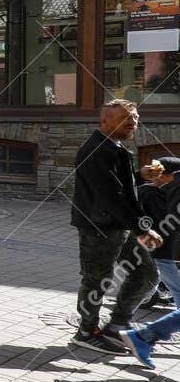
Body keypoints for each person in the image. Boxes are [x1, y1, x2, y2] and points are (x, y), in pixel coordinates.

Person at [71, 99, 159, 354]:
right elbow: (113, 196)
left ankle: (117, 323)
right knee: (97, 280)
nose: (133, 123)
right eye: (126, 118)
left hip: (120, 225)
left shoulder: (113, 146)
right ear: (104, 121)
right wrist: (142, 229)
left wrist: (139, 175)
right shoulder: (96, 150)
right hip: (99, 227)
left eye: (135, 118)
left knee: (147, 274)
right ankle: (86, 331)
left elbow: (119, 186)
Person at [120, 156, 180, 367]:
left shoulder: (153, 192)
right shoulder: (156, 195)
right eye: (175, 176)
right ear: (166, 176)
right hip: (166, 252)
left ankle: (141, 335)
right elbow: (165, 223)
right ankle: (141, 335)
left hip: (164, 252)